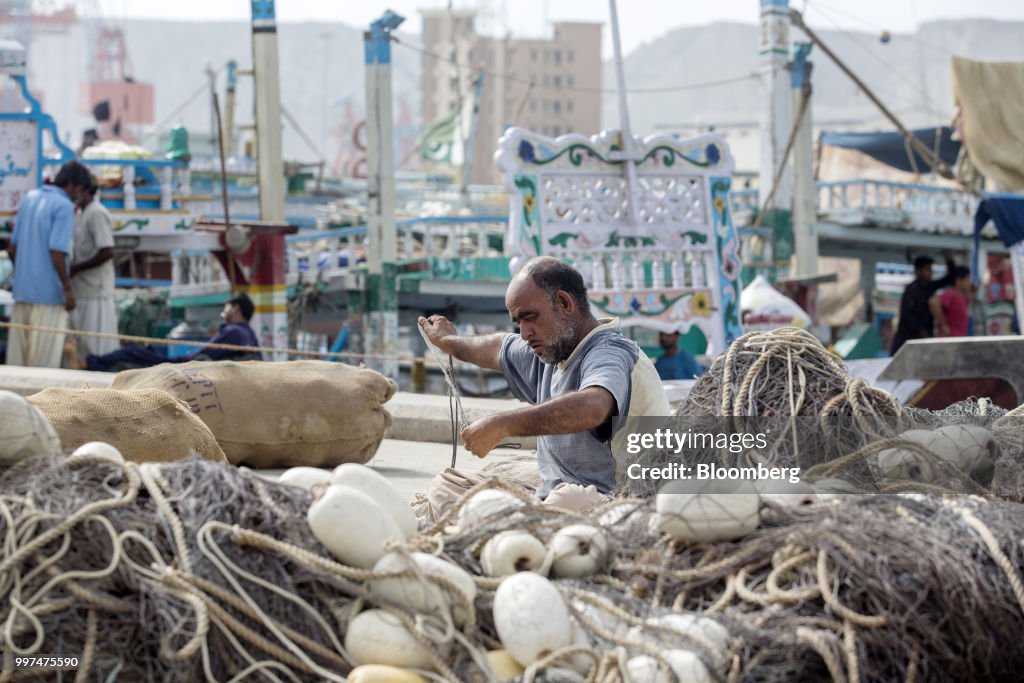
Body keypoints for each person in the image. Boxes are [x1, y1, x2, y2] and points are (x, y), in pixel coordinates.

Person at [418, 257, 670, 516]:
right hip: (552, 495)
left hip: (620, 499)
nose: (525, 333)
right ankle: (516, 528)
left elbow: (593, 406)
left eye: (530, 318)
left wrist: (503, 424)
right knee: (447, 486)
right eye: (519, 323)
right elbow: (496, 347)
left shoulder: (610, 353)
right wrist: (449, 341)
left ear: (564, 303)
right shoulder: (551, 350)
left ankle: (511, 530)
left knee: (568, 500)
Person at [5, 161, 92, 367]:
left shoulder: (30, 198)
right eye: (79, 189)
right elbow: (57, 253)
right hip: (49, 297)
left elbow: (13, 248)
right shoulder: (63, 206)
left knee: (18, 363)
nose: (79, 195)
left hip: (22, 293)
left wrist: (24, 274)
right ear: (71, 184)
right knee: (43, 364)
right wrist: (67, 288)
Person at [74, 293, 261, 372]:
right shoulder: (249, 334)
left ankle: (87, 363)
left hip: (190, 365)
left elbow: (203, 353)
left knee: (132, 352)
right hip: (198, 362)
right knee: (145, 351)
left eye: (227, 306)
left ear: (236, 309)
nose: (224, 310)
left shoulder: (233, 331)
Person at [69, 177, 119, 356]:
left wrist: (77, 268)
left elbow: (107, 251)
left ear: (85, 191)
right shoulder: (80, 213)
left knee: (98, 348)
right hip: (82, 290)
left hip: (95, 291)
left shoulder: (96, 213)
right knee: (83, 347)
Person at [890, 252, 958, 355]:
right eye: (927, 269)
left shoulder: (929, 287)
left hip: (922, 343)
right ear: (918, 271)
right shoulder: (912, 290)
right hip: (907, 342)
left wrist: (949, 260)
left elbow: (950, 279)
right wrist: (921, 331)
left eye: (931, 270)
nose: (930, 273)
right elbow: (907, 316)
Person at [930, 265, 973, 338]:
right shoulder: (951, 294)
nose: (969, 282)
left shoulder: (963, 298)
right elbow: (933, 302)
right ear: (959, 280)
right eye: (967, 279)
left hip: (960, 340)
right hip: (950, 341)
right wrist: (944, 325)